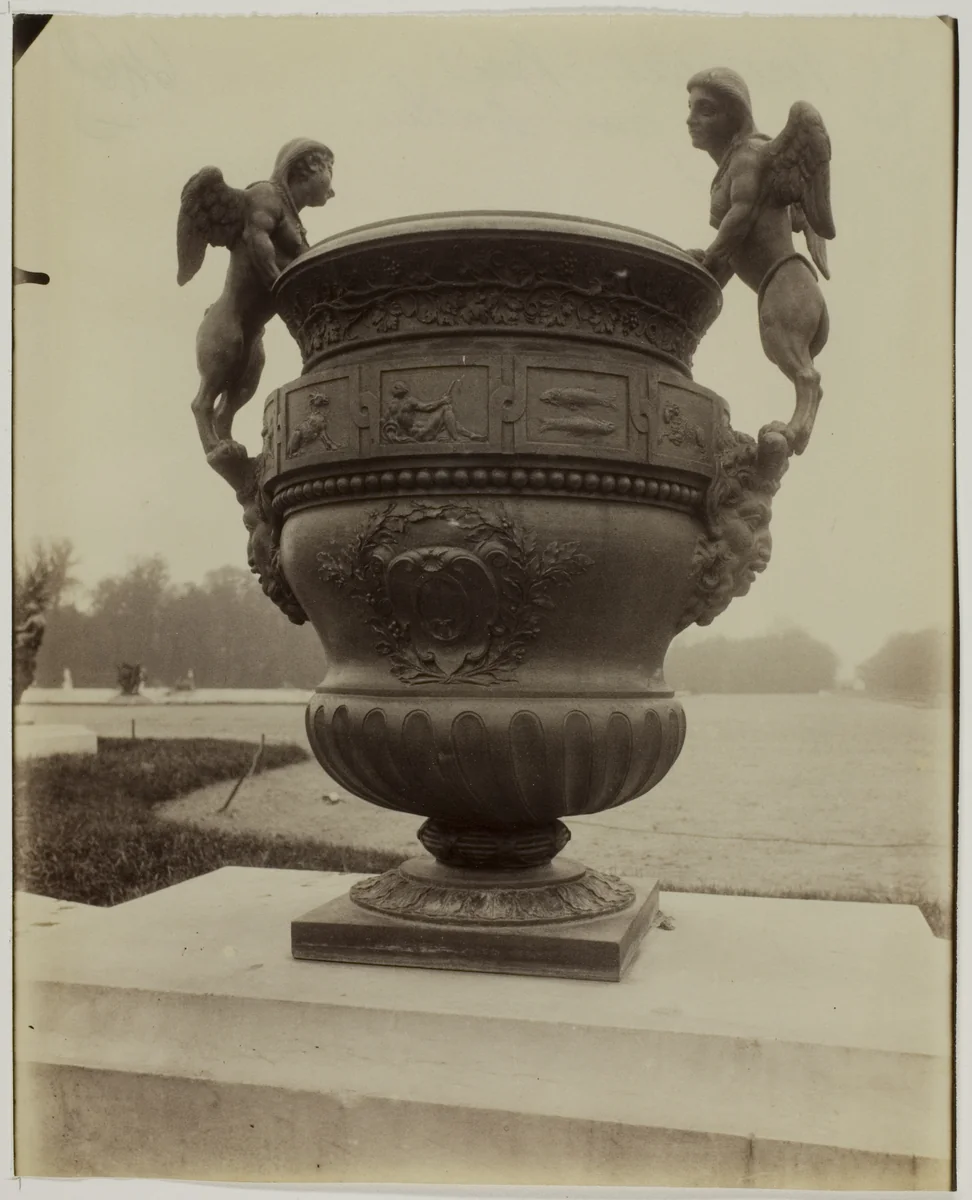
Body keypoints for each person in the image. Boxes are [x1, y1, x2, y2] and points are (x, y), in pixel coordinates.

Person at [685, 68, 835, 456]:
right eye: (691, 109)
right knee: (777, 347)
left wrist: (709, 256)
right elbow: (735, 249)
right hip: (778, 281)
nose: (691, 119)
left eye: (705, 110)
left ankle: (800, 425)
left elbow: (741, 216)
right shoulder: (731, 164)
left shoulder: (751, 154)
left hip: (785, 280)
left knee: (787, 352)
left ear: (733, 114)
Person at [383, 379, 486, 443]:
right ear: (404, 390)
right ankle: (457, 438)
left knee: (445, 419)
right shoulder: (409, 401)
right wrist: (442, 401)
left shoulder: (391, 405)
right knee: (446, 408)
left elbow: (384, 420)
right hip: (419, 435)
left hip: (410, 432)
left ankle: (470, 435)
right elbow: (427, 407)